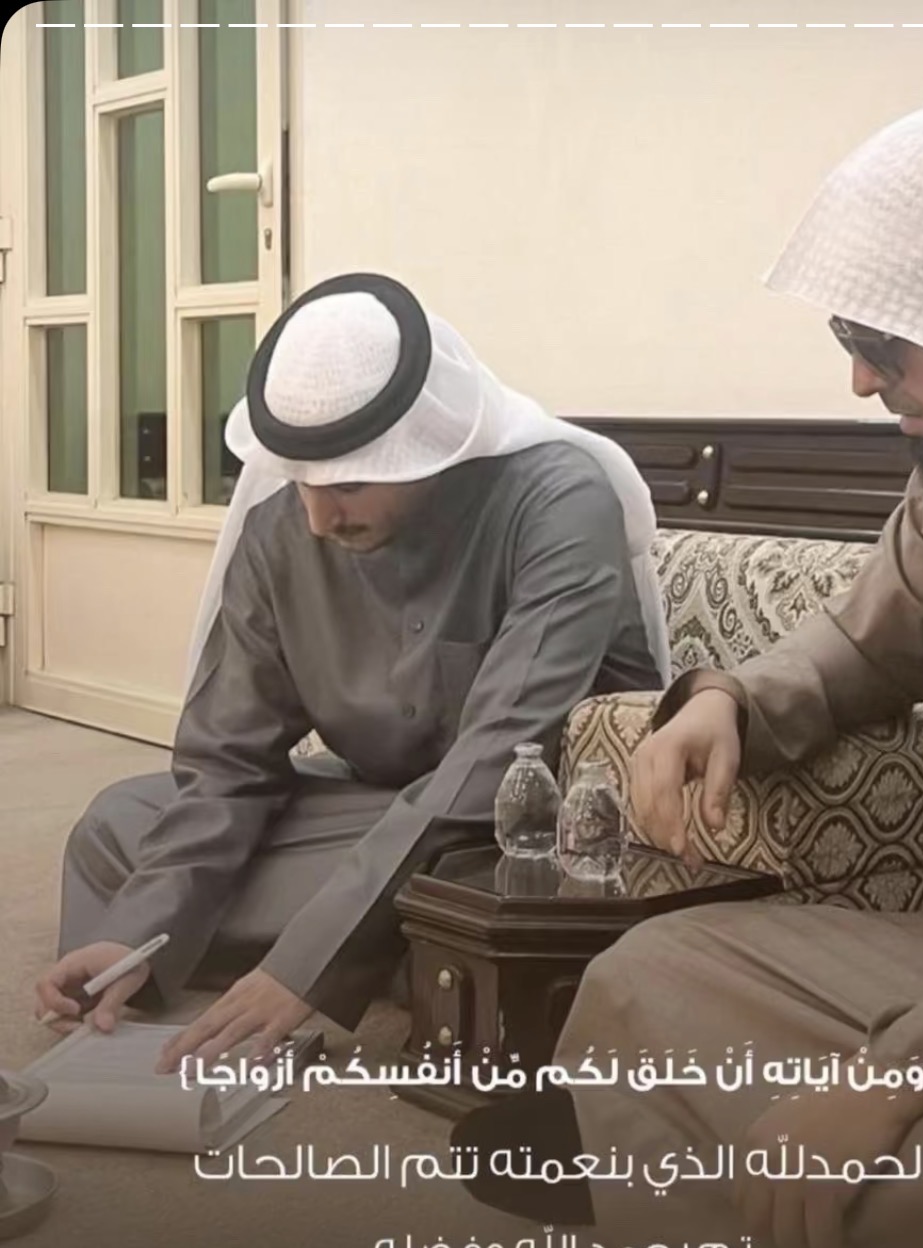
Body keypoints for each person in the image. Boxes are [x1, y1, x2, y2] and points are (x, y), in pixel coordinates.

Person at [549, 105, 923, 1248]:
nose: (860, 379)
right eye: (848, 338)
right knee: (645, 983)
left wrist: (900, 1070)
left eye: (882, 343)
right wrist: (728, 703)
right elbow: (864, 644)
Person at [34, 273, 669, 1068]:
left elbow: (498, 760)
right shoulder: (282, 533)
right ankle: (402, 952)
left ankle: (365, 950)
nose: (318, 519)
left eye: (350, 483)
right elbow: (228, 762)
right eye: (302, 482)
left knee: (493, 881)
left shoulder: (555, 503)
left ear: (429, 444)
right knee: (121, 821)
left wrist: (306, 963)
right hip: (375, 816)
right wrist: (137, 935)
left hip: (522, 831)